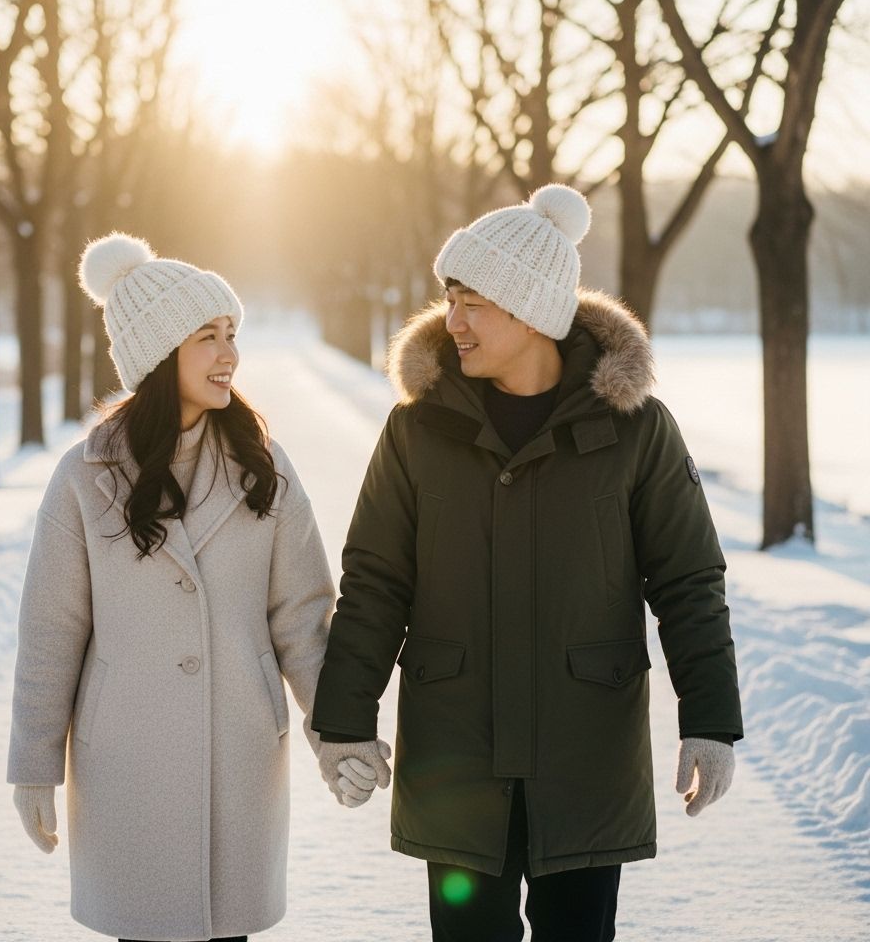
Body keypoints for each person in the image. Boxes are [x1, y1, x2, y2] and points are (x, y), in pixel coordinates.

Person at [311, 185, 744, 942]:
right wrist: (344, 723)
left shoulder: (635, 429)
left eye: (473, 301)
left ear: (533, 308)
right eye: (450, 298)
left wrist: (710, 719)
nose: (453, 322)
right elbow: (376, 582)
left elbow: (687, 581)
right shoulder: (418, 431)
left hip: (585, 756)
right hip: (454, 758)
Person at [7, 232, 355, 941]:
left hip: (241, 753)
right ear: (160, 353)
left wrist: (338, 736)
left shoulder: (266, 465)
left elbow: (304, 623)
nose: (229, 353)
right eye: (207, 336)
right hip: (126, 760)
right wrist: (33, 767)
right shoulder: (85, 475)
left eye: (232, 334)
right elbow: (52, 630)